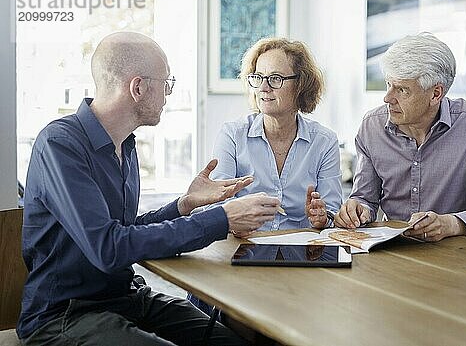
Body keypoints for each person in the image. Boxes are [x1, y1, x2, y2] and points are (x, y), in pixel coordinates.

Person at [17, 31, 281, 346]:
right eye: (166, 83)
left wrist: (184, 205)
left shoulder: (125, 145)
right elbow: (109, 247)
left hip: (126, 298)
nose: (169, 94)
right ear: (139, 87)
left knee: (232, 342)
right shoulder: (60, 144)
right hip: (64, 315)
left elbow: (125, 230)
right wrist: (221, 218)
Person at [188, 37, 342, 314]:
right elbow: (213, 204)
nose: (263, 87)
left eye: (275, 78)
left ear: (301, 84)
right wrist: (234, 222)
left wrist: (322, 217)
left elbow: (332, 212)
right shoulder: (233, 135)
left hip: (299, 258)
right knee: (209, 311)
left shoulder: (325, 141)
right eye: (257, 77)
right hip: (240, 248)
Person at [334, 32, 466, 241]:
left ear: (436, 94)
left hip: (455, 257)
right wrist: (358, 210)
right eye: (388, 84)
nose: (387, 98)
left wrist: (450, 224)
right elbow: (364, 198)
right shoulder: (372, 126)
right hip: (394, 254)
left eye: (402, 90)